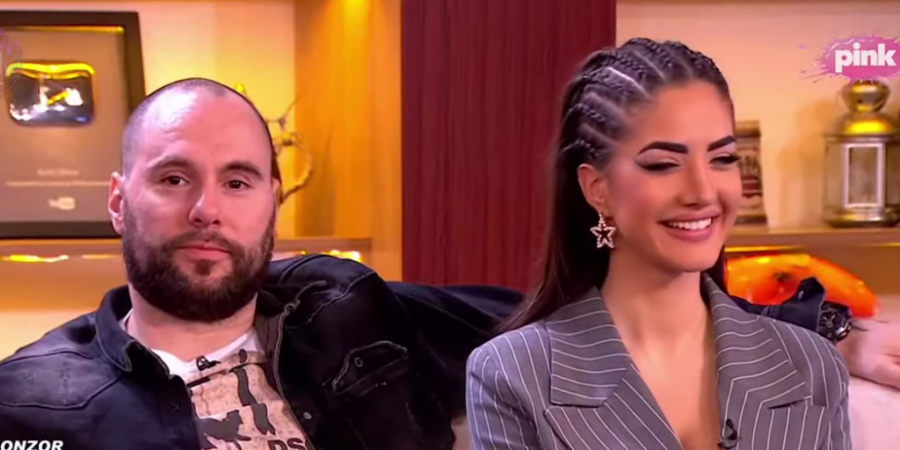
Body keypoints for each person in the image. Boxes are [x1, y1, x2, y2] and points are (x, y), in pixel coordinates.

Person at [0, 76, 890, 449]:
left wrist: (830, 333)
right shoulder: (32, 401)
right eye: (173, 179)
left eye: (237, 181)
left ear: (273, 201)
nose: (207, 208)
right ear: (118, 200)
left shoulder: (344, 309)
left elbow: (587, 321)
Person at [465, 38, 851, 450]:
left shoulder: (811, 365)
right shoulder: (513, 373)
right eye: (664, 165)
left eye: (722, 159)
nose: (703, 191)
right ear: (597, 188)